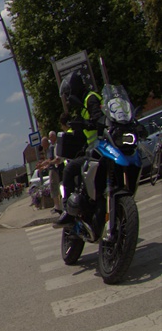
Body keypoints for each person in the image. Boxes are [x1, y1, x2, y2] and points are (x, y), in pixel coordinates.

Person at [56, 71, 102, 227]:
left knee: (69, 169)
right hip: (96, 148)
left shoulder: (91, 99)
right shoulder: (84, 105)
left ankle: (67, 212)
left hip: (100, 149)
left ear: (74, 89)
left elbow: (97, 118)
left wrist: (87, 123)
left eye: (68, 94)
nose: (68, 98)